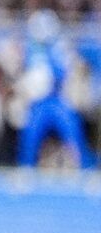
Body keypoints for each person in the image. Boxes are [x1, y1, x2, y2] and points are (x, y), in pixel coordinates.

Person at [15, 10, 96, 175]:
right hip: (38, 102)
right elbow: (26, 74)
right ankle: (25, 167)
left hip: (57, 99)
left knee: (72, 131)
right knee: (30, 133)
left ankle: (86, 167)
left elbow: (65, 72)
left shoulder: (59, 47)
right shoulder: (31, 48)